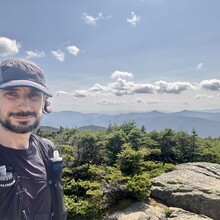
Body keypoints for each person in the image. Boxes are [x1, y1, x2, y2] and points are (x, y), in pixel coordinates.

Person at [0, 59, 67, 220]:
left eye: (34, 95)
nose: (24, 106)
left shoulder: (47, 150)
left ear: (44, 102)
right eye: (11, 93)